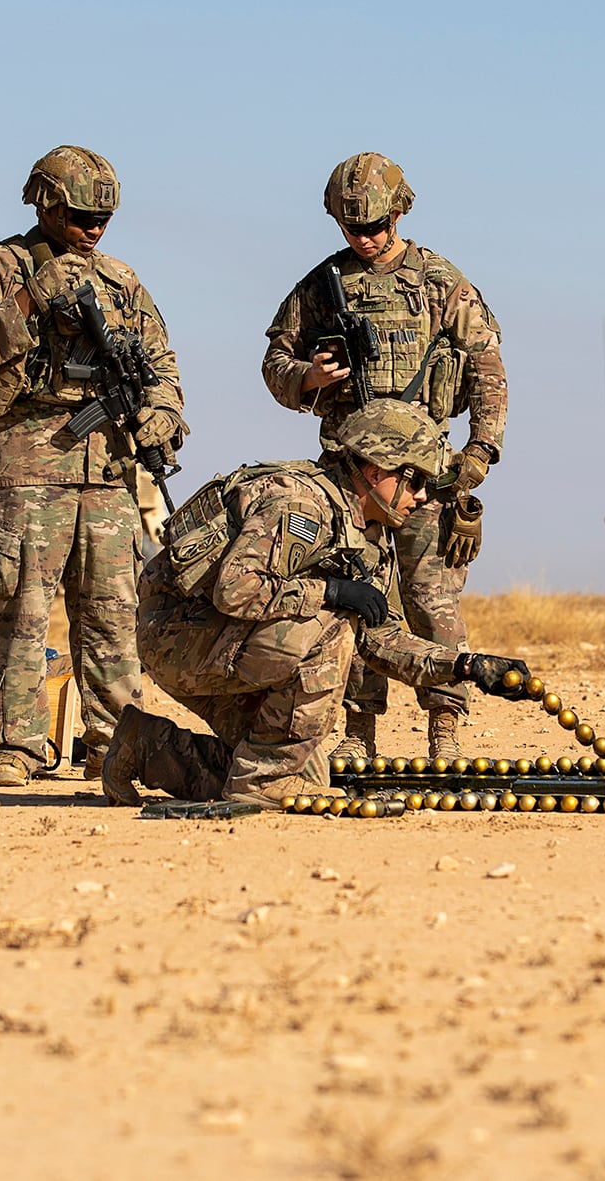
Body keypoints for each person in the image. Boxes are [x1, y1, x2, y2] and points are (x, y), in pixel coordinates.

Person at [101, 400, 531, 808]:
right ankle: (265, 777)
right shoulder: (300, 503)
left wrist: (464, 667)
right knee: (333, 625)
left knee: (306, 777)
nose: (420, 496)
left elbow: (382, 641)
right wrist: (330, 593)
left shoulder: (368, 535)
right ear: (374, 467)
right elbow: (235, 588)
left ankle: (147, 746)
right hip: (180, 638)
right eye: (414, 480)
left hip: (232, 643)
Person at [0, 145, 186, 787]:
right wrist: (26, 305)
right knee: (21, 611)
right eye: (79, 213)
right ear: (44, 203)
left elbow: (161, 364)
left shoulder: (122, 282)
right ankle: (17, 746)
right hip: (23, 464)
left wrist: (161, 414)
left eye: (103, 216)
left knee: (113, 612)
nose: (94, 227)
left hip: (105, 469)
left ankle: (113, 744)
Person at [260, 152, 508, 765]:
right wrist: (310, 378)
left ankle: (445, 723)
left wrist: (480, 450)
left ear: (399, 213)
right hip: (352, 478)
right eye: (353, 229)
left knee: (431, 599)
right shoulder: (322, 287)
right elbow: (275, 363)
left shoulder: (440, 282)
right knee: (352, 594)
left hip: (426, 473)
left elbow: (487, 368)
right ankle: (354, 727)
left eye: (376, 227)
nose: (367, 239)